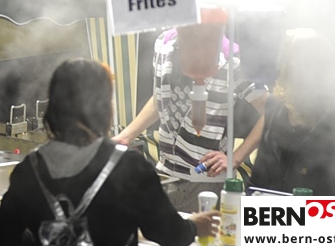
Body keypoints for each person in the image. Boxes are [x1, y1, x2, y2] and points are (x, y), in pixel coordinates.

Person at [0, 57, 219, 246]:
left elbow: (0, 238)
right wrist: (195, 226)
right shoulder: (130, 167)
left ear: (54, 107)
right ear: (104, 107)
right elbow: (170, 234)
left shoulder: (29, 169)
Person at [112, 24, 268, 213]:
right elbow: (160, 99)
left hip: (205, 181)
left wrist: (235, 157)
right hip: (165, 173)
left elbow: (270, 111)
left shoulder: (232, 58)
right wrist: (125, 136)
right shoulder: (163, 44)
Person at [249, 28, 335, 195]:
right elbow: (262, 168)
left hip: (326, 208)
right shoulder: (276, 104)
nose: (279, 65)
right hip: (273, 207)